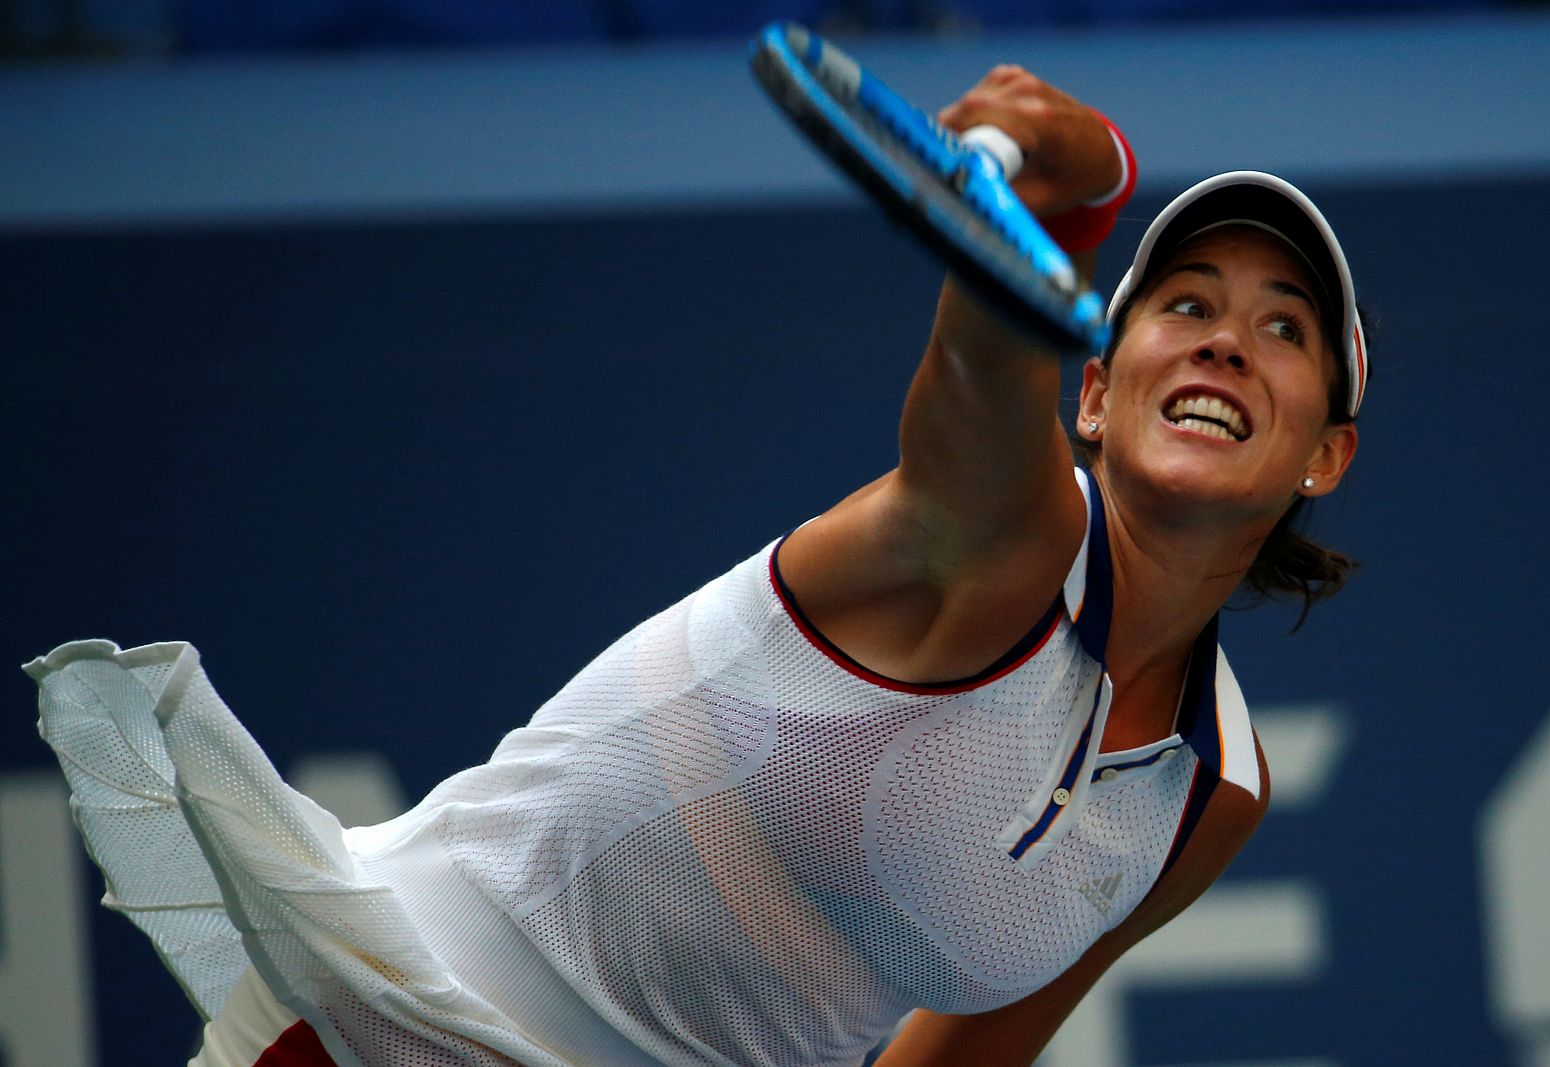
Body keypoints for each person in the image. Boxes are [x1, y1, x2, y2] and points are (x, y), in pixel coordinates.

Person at [26, 62, 1365, 1067]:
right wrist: (1078, 199)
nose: (1223, 341)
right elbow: (980, 354)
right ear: (1090, 393)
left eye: (1282, 326)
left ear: (1325, 456)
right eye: (1182, 305)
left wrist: (1091, 192)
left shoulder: (1212, 793)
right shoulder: (1006, 537)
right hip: (391, 1028)